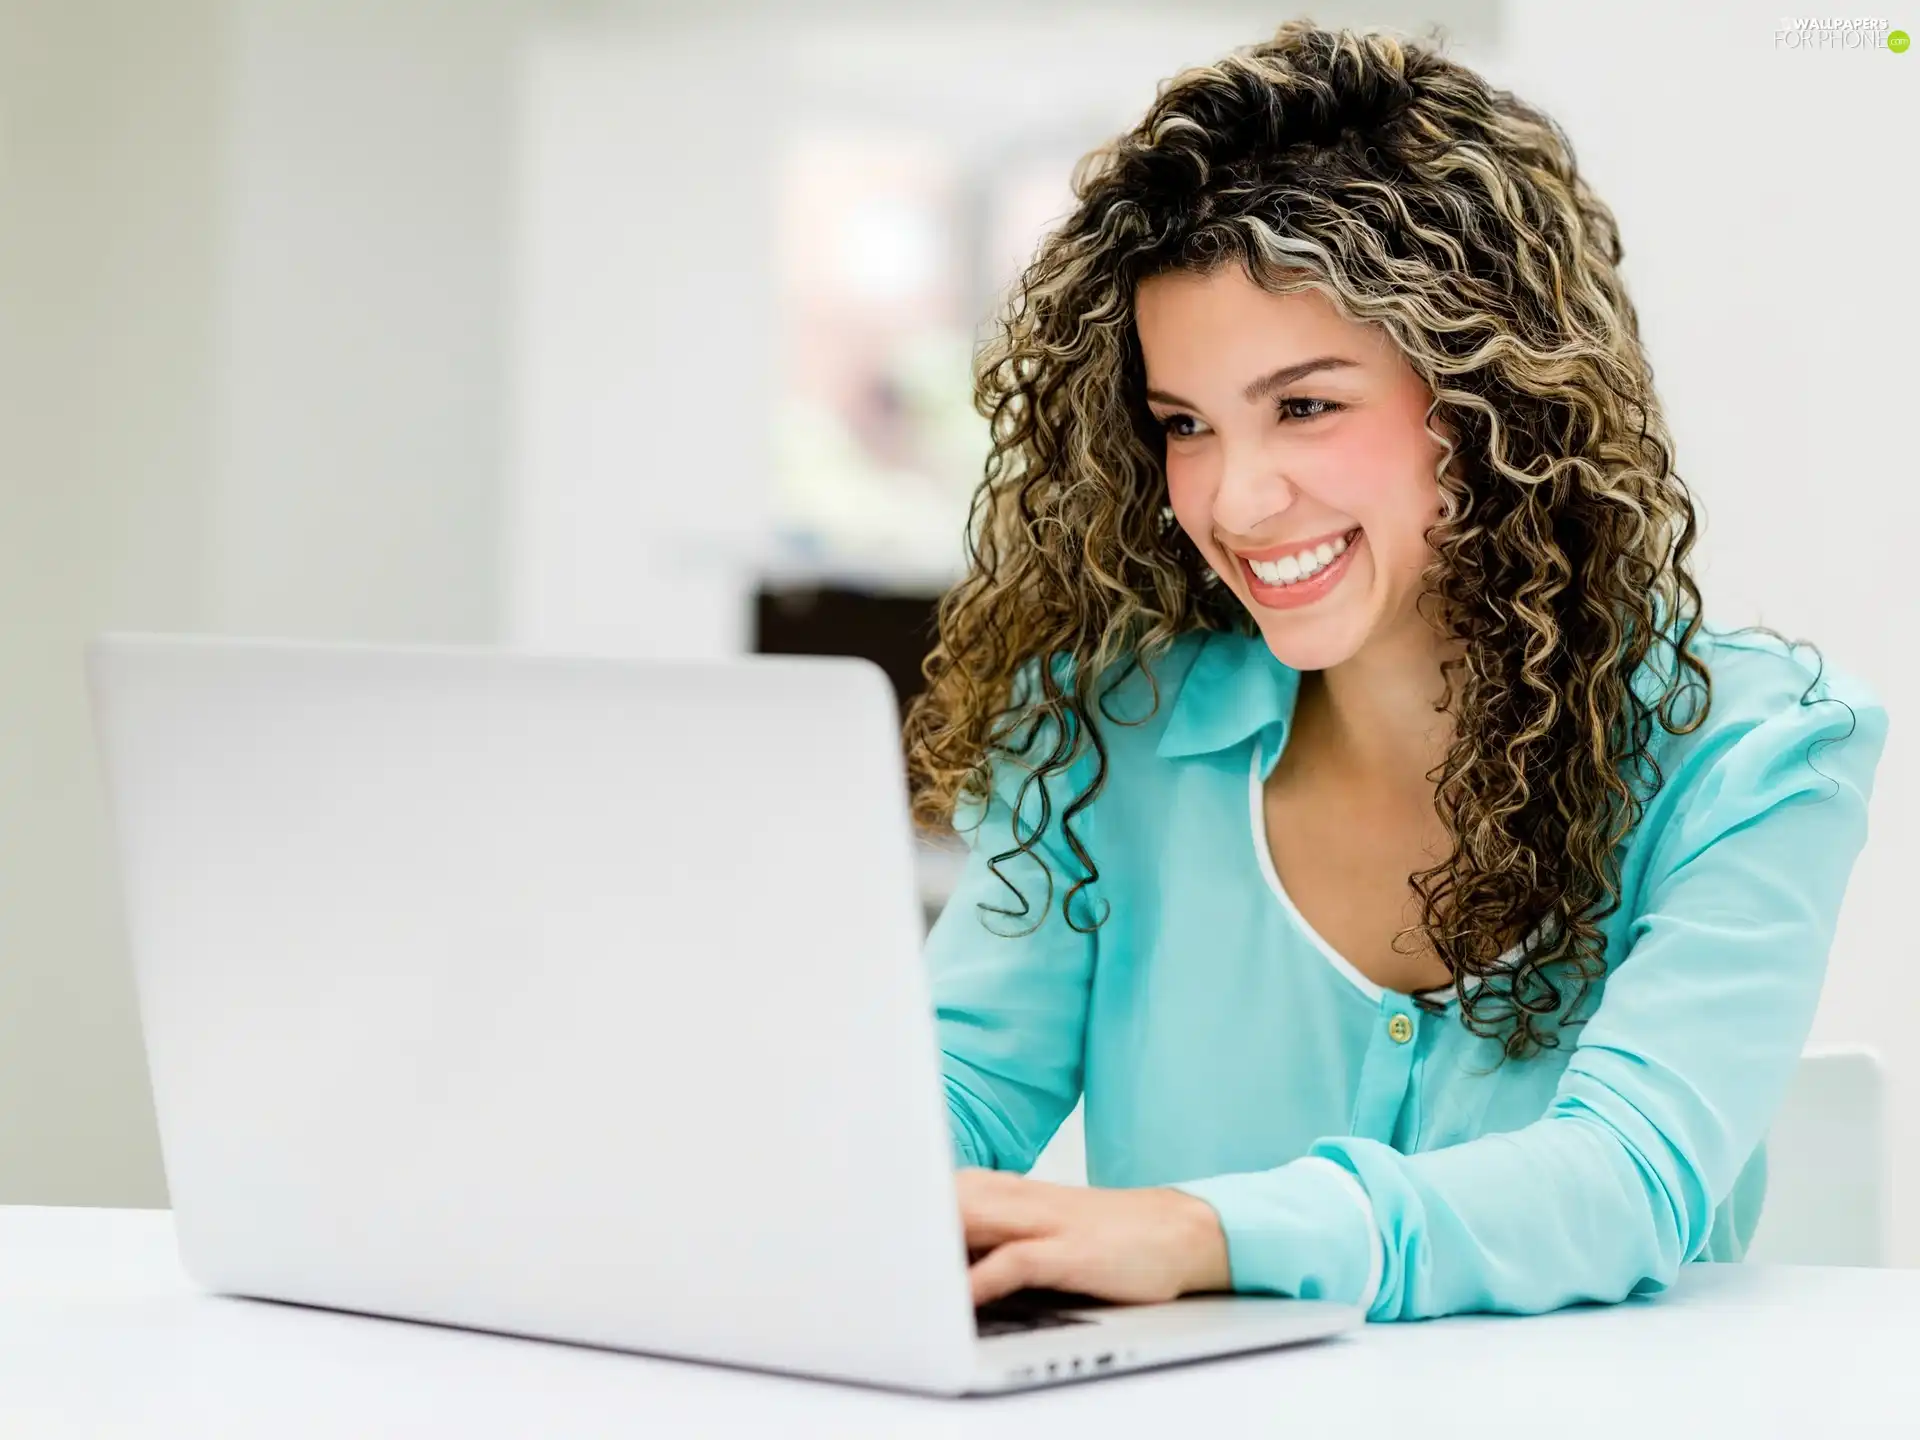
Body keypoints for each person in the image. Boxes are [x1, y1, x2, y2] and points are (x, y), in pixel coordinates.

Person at [900, 20, 1890, 1324]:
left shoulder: (1752, 755)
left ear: (1490, 401)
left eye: (1306, 404)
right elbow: (952, 1096)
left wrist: (1205, 1233)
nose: (1237, 498)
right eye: (1185, 424)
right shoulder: (1100, 741)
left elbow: (1629, 1176)